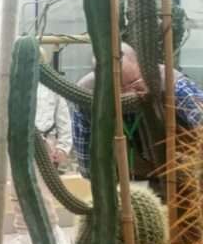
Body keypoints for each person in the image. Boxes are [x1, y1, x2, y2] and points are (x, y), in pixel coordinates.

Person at [71, 44, 203, 179]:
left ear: (142, 67)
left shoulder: (172, 83)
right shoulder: (86, 95)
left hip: (180, 178)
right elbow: (88, 164)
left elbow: (200, 116)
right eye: (118, 89)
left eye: (133, 83)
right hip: (124, 181)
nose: (127, 93)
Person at [4, 80, 73, 244]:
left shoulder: (52, 85)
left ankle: (55, 232)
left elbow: (64, 118)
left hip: (44, 142)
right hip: (16, 140)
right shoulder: (13, 82)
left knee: (42, 191)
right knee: (17, 190)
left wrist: (63, 146)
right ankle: (24, 235)